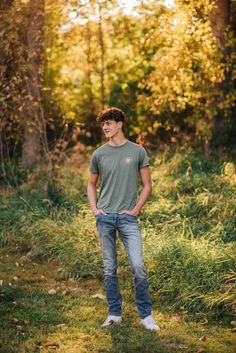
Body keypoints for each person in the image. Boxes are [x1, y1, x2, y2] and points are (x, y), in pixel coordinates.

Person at [87, 107, 160, 331]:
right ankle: (114, 313)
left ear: (120, 124)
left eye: (109, 123)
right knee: (109, 268)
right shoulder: (99, 154)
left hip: (128, 219)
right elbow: (91, 184)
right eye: (103, 124)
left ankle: (145, 315)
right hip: (105, 218)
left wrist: (136, 209)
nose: (105, 127)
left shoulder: (137, 151)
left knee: (138, 265)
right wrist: (95, 210)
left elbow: (147, 185)